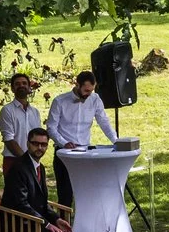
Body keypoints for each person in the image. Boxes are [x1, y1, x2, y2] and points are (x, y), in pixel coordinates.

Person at [2, 127, 73, 232]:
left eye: (44, 144)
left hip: (32, 222)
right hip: (18, 226)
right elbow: (21, 204)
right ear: (28, 144)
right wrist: (47, 225)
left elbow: (41, 203)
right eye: (35, 144)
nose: (40, 148)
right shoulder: (19, 168)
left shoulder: (39, 167)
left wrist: (56, 219)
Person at [45, 70, 117, 205]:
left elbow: (104, 122)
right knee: (65, 196)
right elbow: (51, 128)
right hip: (64, 153)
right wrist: (63, 143)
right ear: (77, 85)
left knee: (86, 194)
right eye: (86, 90)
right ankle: (64, 224)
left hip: (85, 152)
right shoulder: (59, 101)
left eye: (91, 90)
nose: (88, 94)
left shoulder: (95, 99)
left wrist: (116, 140)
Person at [0, 71, 43, 161]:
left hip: (33, 160)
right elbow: (9, 139)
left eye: (24, 83)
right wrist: (26, 160)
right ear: (13, 89)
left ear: (29, 87)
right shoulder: (7, 110)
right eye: (17, 84)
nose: (21, 86)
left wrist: (34, 159)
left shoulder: (35, 112)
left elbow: (38, 138)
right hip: (13, 160)